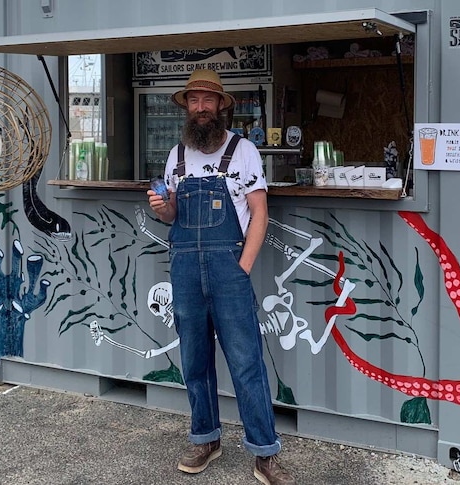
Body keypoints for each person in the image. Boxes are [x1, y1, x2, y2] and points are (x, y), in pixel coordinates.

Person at [147, 69, 295, 485]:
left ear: (221, 106)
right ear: (186, 107)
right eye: (194, 101)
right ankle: (205, 438)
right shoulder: (176, 156)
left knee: (247, 362)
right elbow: (172, 215)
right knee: (194, 360)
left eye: (208, 101)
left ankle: (265, 453)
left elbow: (260, 214)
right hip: (185, 270)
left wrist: (241, 267)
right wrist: (162, 209)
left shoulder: (243, 150)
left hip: (229, 268)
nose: (201, 108)